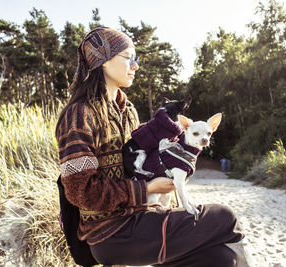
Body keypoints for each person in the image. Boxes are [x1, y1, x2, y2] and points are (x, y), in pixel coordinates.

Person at [55, 27, 245, 267]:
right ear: (103, 62)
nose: (135, 65)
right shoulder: (79, 116)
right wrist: (147, 189)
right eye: (129, 58)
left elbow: (146, 163)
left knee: (221, 259)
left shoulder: (128, 111)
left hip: (144, 218)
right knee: (226, 218)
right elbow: (80, 191)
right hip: (111, 233)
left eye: (138, 59)